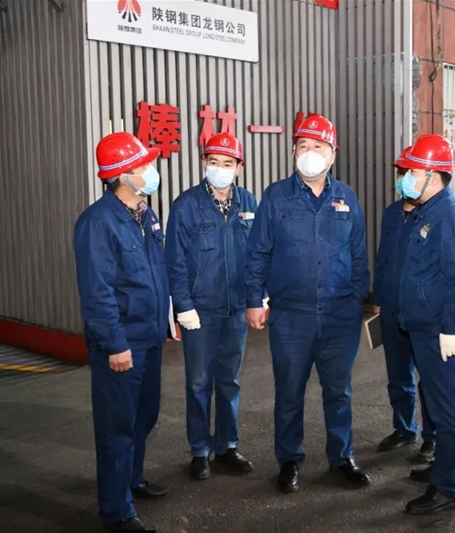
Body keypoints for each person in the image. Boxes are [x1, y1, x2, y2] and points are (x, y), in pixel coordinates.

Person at [244, 113, 371, 494]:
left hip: (340, 315)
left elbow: (358, 254)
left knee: (339, 390)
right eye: (303, 146)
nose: (310, 152)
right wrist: (254, 299)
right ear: (293, 152)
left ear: (333, 153)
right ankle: (288, 459)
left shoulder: (347, 197)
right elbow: (258, 252)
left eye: (318, 146)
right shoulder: (275, 196)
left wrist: (358, 299)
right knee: (289, 392)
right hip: (291, 316)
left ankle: (342, 456)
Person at [73, 132, 169, 532]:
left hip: (150, 337)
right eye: (143, 165)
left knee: (144, 416)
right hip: (122, 343)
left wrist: (167, 319)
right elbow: (97, 292)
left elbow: (156, 273)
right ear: (122, 175)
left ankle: (133, 478)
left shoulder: (145, 214)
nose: (151, 171)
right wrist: (115, 344)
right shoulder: (98, 223)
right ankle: (116, 510)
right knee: (117, 427)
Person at [165, 132, 257, 482]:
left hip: (236, 310)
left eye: (227, 163)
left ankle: (227, 446)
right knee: (199, 382)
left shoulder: (248, 201)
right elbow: (175, 261)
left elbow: (258, 253)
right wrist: (183, 306)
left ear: (238, 167)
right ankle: (200, 450)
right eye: (214, 162)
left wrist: (258, 295)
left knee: (230, 381)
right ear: (205, 163)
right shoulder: (186, 205)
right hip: (200, 311)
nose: (220, 168)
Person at [395, 134, 455, 515]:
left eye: (413, 171)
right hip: (422, 328)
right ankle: (442, 468)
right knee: (437, 404)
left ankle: (448, 488)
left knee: (448, 410)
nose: (406, 178)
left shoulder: (450, 217)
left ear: (433, 175)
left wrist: (451, 329)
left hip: (438, 331)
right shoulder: (426, 212)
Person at [373, 146, 436, 465]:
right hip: (391, 309)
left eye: (409, 171)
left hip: (422, 313)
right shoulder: (391, 213)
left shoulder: (433, 215)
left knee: (430, 379)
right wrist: (379, 299)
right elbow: (383, 258)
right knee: (398, 374)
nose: (403, 178)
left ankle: (432, 438)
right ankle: (404, 428)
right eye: (401, 172)